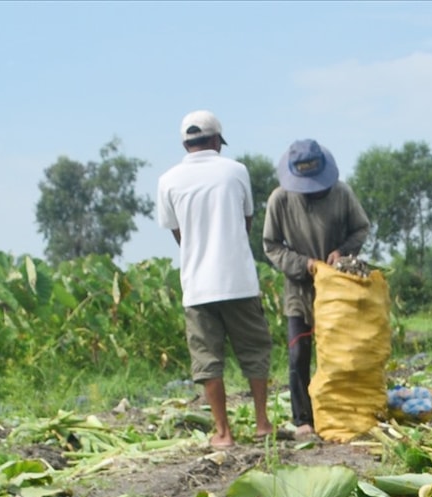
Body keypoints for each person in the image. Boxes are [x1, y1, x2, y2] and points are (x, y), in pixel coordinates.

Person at [156, 110, 272, 449]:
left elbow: (179, 234)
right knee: (254, 349)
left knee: (208, 359)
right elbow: (246, 221)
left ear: (185, 143)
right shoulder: (236, 171)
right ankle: (263, 423)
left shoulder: (168, 180)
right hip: (239, 280)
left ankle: (223, 433)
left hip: (198, 285)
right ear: (217, 141)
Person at [261, 139, 372, 439]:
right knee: (299, 354)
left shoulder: (342, 194)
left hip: (339, 292)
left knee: (340, 354)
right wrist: (304, 264)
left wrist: (342, 252)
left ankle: (340, 414)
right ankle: (303, 420)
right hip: (300, 291)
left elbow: (361, 228)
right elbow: (271, 245)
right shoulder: (280, 200)